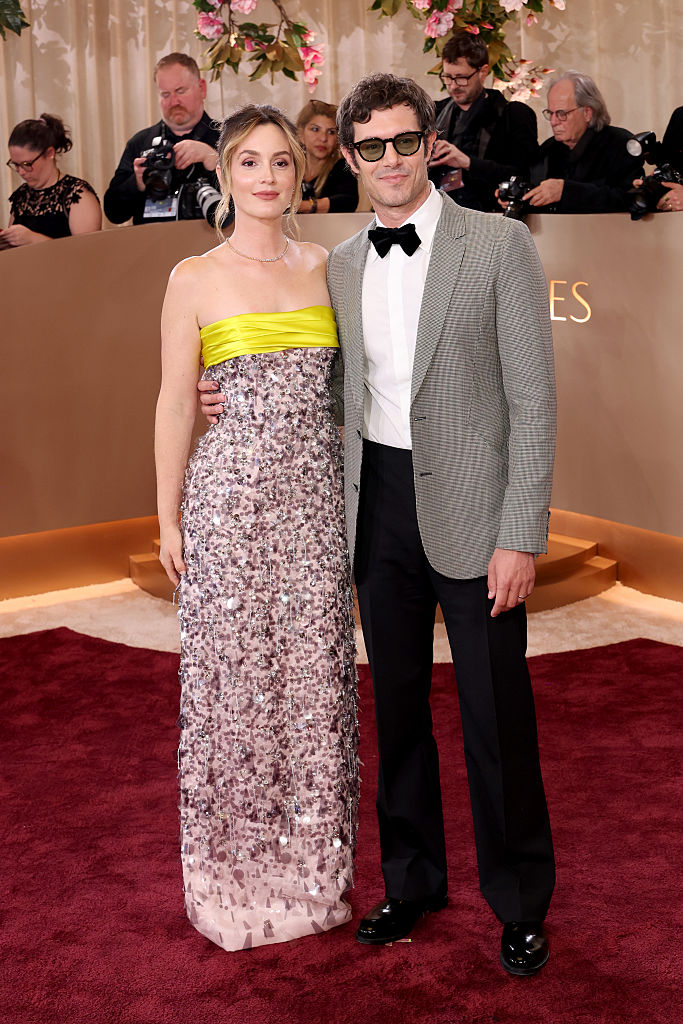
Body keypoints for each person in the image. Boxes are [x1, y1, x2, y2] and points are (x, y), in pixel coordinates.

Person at [201, 73, 557, 976]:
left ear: (427, 143)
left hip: (478, 516)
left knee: (492, 716)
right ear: (351, 156)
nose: (389, 161)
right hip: (375, 510)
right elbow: (326, 386)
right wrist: (226, 394)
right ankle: (412, 881)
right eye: (371, 147)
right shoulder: (344, 261)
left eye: (405, 142)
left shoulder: (497, 245)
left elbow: (535, 401)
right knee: (395, 710)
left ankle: (517, 900)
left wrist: (520, 530)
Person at [154, 103, 359, 953]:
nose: (268, 176)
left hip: (315, 512)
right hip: (227, 505)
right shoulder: (192, 277)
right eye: (249, 162)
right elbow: (174, 399)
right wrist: (165, 515)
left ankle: (315, 873)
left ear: (299, 172)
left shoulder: (329, 266)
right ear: (227, 173)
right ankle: (234, 880)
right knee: (234, 697)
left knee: (315, 693)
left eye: (280, 161)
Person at [427, 30, 538, 211]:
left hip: (491, 219)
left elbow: (526, 176)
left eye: (461, 78)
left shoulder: (514, 115)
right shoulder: (434, 113)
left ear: (482, 72)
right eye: (448, 77)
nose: (453, 86)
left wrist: (468, 163)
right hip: (441, 215)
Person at [104, 53, 220, 225]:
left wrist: (214, 161)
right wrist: (137, 182)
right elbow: (114, 213)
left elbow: (250, 203)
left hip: (212, 246)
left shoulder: (228, 138)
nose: (174, 102)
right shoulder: (140, 143)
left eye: (181, 91)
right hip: (153, 247)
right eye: (165, 94)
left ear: (202, 88)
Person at [522, 70, 642, 212]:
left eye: (561, 114)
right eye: (550, 113)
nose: (553, 122)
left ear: (587, 113)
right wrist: (518, 198)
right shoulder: (548, 150)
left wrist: (566, 191)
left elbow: (630, 199)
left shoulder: (621, 144)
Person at [2, 114, 101, 247]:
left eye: (26, 164)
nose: (20, 171)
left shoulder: (77, 194)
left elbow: (88, 254)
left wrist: (34, 239)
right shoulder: (22, 196)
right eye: (15, 164)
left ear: (49, 153)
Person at [295, 99, 358, 213]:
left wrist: (304, 206)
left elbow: (348, 202)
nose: (323, 138)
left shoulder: (344, 166)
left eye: (331, 132)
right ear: (300, 134)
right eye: (315, 129)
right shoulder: (290, 165)